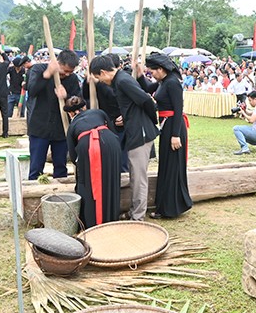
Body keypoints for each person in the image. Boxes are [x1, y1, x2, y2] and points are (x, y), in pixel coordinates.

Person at [90, 55, 158, 221]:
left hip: (139, 132)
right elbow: (134, 103)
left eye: (98, 78)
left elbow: (146, 100)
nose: (100, 81)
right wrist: (127, 116)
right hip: (134, 129)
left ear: (104, 72)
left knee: (138, 177)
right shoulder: (119, 80)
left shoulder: (122, 81)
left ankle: (138, 216)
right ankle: (135, 211)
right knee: (134, 175)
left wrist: (149, 121)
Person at [139, 53, 193, 219]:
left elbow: (178, 110)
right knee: (166, 166)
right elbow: (147, 88)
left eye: (152, 72)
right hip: (166, 127)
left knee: (172, 167)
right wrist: (139, 73)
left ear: (161, 69)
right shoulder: (162, 82)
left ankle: (170, 208)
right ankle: (165, 206)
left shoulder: (172, 83)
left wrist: (176, 135)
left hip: (173, 128)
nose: (151, 75)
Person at [65, 96, 122, 227]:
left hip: (90, 147)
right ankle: (111, 218)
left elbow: (73, 157)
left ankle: (92, 222)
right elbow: (112, 129)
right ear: (84, 107)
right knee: (111, 178)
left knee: (88, 184)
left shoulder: (73, 125)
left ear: (70, 113)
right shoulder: (98, 112)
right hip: (111, 142)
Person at [27, 50, 81, 180]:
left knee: (61, 165)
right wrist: (47, 74)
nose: (66, 74)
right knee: (36, 166)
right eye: (64, 71)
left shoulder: (72, 78)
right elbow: (32, 90)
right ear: (58, 63)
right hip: (40, 126)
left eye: (70, 72)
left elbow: (78, 101)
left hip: (61, 128)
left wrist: (67, 97)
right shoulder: (38, 69)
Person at [232, 90, 256, 154]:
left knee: (236, 128)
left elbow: (251, 120)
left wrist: (243, 113)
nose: (250, 103)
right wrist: (244, 110)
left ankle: (245, 148)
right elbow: (251, 113)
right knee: (242, 134)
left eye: (250, 100)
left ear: (255, 99)